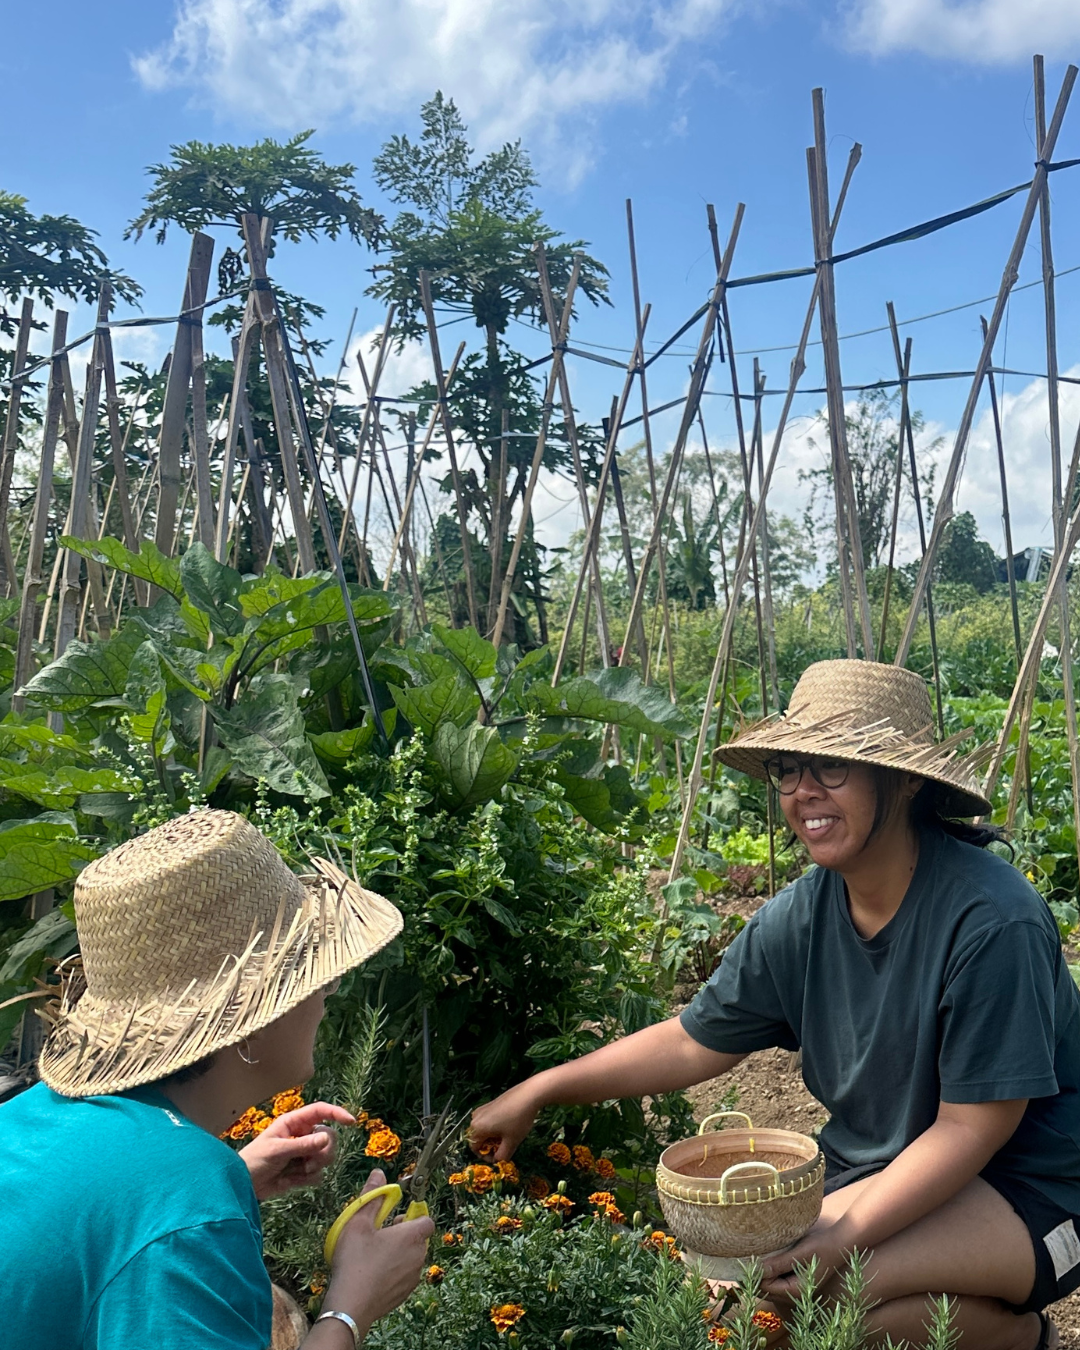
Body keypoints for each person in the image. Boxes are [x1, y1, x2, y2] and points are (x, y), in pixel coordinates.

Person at [470, 659, 1080, 1350]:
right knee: (755, 1302)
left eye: (833, 768)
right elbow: (691, 1041)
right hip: (885, 1168)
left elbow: (972, 1130)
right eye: (789, 769)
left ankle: (1024, 1339)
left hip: (1034, 1186)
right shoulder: (801, 918)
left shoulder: (992, 921)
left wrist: (842, 1233)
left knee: (812, 1304)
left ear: (907, 779)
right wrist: (541, 1089)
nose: (803, 792)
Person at [0, 809, 434, 1349]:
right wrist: (351, 1304)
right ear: (247, 1022)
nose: (329, 989)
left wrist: (227, 1179)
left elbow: (81, 1227)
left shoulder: (28, 1116)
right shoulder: (185, 1198)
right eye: (311, 973)